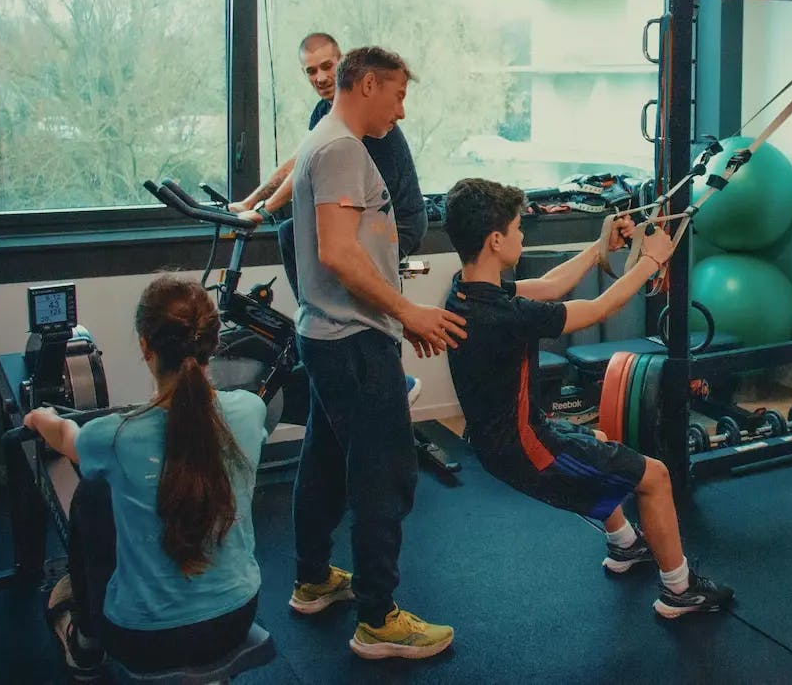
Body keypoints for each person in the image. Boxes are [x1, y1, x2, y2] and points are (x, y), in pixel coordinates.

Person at [441, 177, 734, 619]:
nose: (523, 235)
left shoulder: (465, 291)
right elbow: (598, 309)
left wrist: (601, 248)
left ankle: (626, 545)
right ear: (496, 239)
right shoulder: (505, 314)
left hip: (502, 440)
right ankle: (679, 589)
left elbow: (553, 284)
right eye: (519, 228)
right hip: (526, 449)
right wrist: (649, 262)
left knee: (595, 441)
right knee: (653, 476)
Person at [287, 45, 466, 661]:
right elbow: (337, 252)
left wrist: (395, 314)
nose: (402, 110)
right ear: (366, 84)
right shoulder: (338, 148)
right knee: (384, 475)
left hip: (332, 333)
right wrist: (406, 311)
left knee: (324, 461)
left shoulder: (328, 141)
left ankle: (313, 579)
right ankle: (379, 620)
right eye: (397, 95)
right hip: (353, 342)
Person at [24, 276, 267, 678]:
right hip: (236, 617)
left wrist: (40, 417)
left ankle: (84, 643)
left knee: (92, 496)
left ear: (145, 347)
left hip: (144, 639)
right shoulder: (248, 410)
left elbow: (66, 436)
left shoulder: (114, 437)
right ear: (214, 344)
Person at [230, 32, 425, 405]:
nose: (319, 77)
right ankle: (322, 324)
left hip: (399, 220)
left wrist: (264, 209)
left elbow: (306, 171)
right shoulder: (327, 116)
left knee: (312, 245)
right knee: (292, 235)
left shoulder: (353, 131)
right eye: (310, 71)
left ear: (345, 67)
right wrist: (251, 200)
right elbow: (297, 162)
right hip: (364, 216)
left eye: (326, 67)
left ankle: (380, 368)